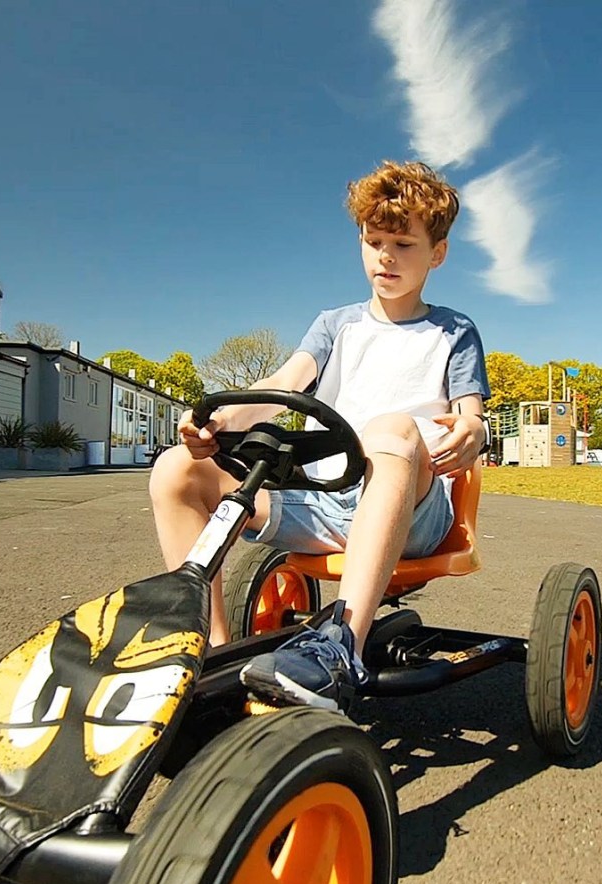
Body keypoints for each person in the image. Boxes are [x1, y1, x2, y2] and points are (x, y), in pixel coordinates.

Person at [149, 159, 490, 713]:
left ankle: (340, 647)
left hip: (413, 508)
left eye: (403, 243)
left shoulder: (453, 331)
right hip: (323, 501)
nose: (385, 256)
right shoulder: (336, 324)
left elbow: (470, 414)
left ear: (438, 253)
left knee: (392, 429)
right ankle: (208, 658)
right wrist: (219, 419)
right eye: (373, 240)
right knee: (175, 470)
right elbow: (283, 385)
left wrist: (474, 429)